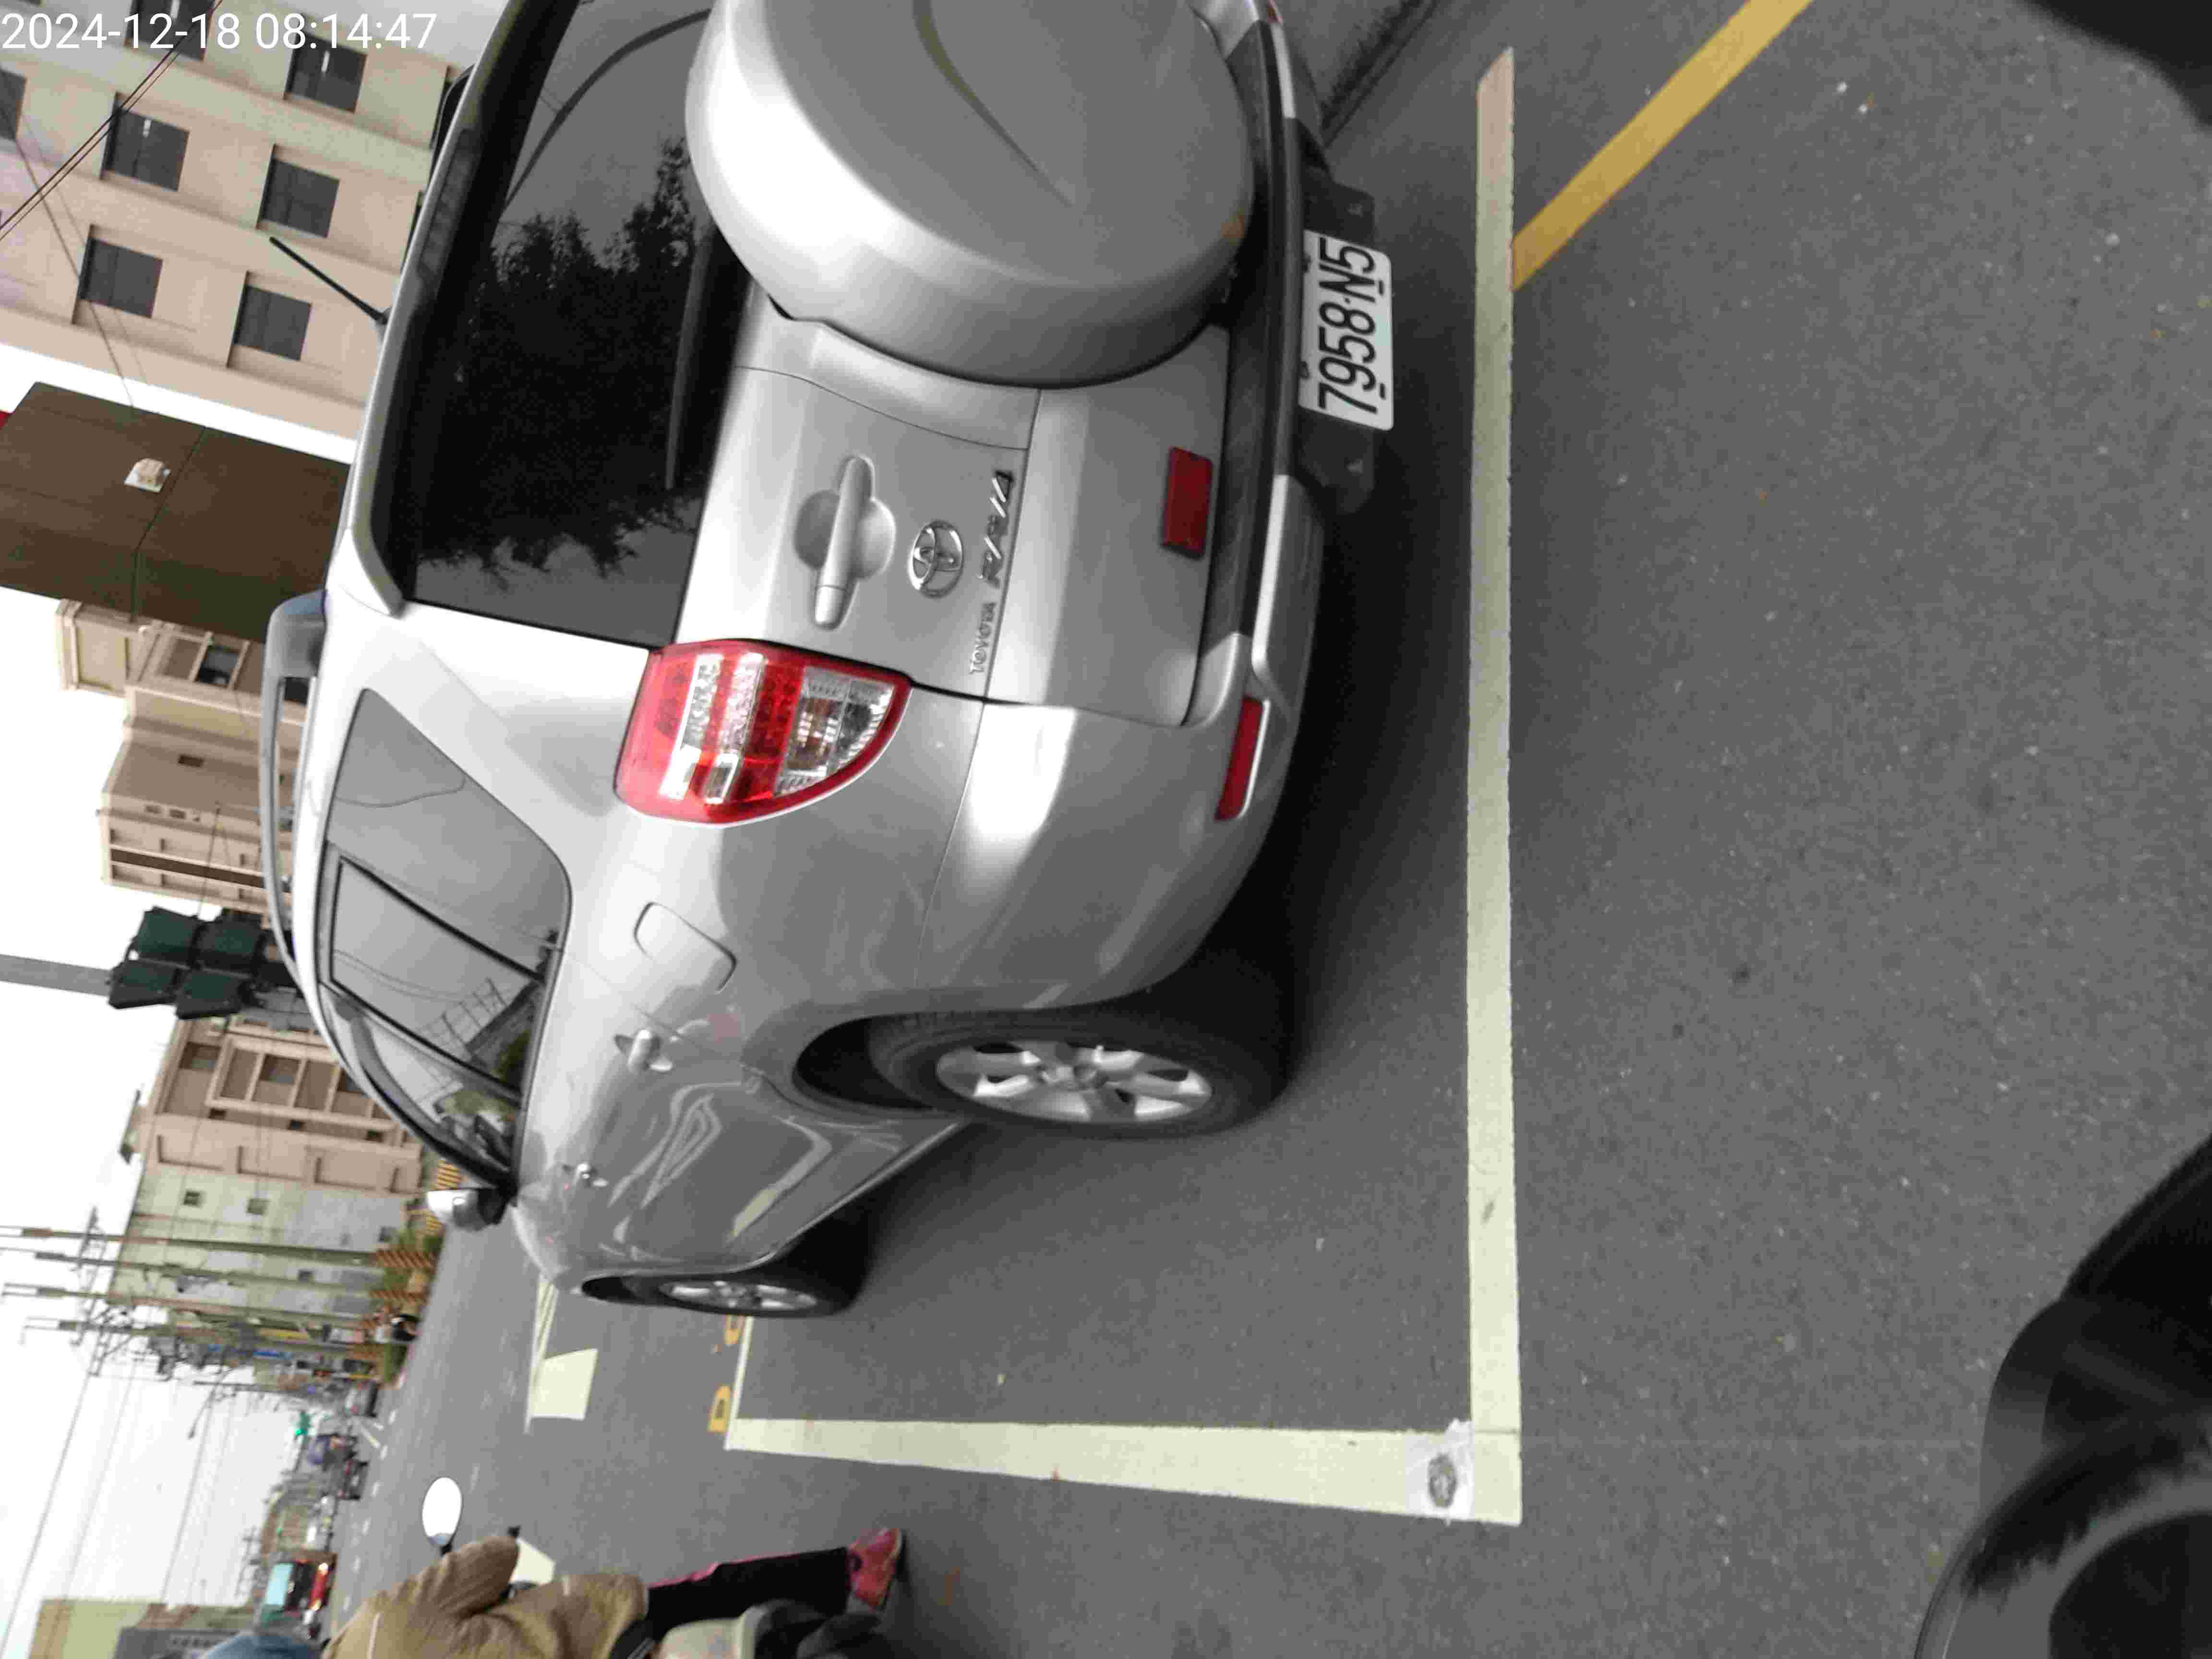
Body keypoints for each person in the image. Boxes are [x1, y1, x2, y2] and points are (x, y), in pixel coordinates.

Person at [323, 1528, 905, 1659]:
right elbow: (496, 1558)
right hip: (610, 1632)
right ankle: (856, 1570)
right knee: (717, 1588)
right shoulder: (382, 1621)